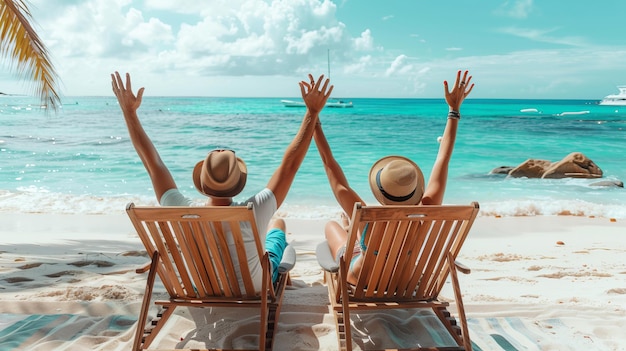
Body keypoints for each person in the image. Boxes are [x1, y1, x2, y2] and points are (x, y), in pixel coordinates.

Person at [111, 71, 333, 291]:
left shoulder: (182, 210)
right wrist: (312, 112)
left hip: (201, 286)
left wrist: (129, 112)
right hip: (254, 286)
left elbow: (153, 164)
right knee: (278, 228)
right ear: (238, 183)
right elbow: (290, 166)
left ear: (202, 184)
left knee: (272, 229)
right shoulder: (255, 209)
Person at [313, 70, 474, 285]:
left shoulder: (366, 215)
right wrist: (453, 110)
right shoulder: (428, 208)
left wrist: (312, 117)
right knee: (359, 233)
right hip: (403, 279)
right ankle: (351, 229)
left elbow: (329, 165)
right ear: (415, 189)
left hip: (362, 279)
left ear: (380, 192)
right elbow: (443, 158)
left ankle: (349, 230)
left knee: (331, 227)